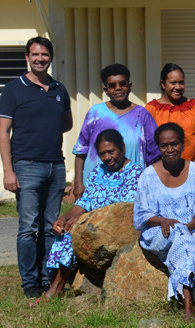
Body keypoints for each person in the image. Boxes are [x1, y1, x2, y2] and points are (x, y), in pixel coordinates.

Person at [0, 36, 73, 298]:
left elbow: (66, 123)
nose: (40, 59)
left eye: (45, 55)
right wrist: (8, 171)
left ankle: (47, 277)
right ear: (27, 58)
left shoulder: (59, 89)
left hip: (56, 166)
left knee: (53, 225)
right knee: (29, 227)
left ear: (51, 57)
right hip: (26, 166)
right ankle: (30, 283)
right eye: (35, 55)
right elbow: (3, 132)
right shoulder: (13, 89)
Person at [33, 129, 142, 307]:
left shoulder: (134, 172)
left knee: (74, 232)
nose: (107, 157)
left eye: (111, 151)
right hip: (93, 222)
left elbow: (124, 208)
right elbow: (86, 201)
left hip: (116, 225)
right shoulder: (98, 171)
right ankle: (57, 283)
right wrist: (66, 217)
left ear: (122, 149)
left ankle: (56, 287)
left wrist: (86, 220)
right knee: (64, 229)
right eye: (102, 154)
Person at [133, 123, 195, 320]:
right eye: (164, 145)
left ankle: (188, 307)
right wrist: (161, 219)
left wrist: (187, 227)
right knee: (180, 234)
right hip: (158, 233)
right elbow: (140, 215)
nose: (170, 149)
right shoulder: (148, 175)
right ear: (158, 147)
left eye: (174, 144)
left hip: (191, 231)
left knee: (182, 239)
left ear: (183, 144)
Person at [71, 63, 159, 199]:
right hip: (95, 188)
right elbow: (81, 150)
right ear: (106, 90)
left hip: (130, 189)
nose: (118, 88)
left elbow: (155, 156)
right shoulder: (95, 113)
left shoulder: (143, 115)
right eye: (112, 85)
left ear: (130, 86)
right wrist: (78, 183)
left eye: (122, 84)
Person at [145, 63, 195, 164]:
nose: (178, 87)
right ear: (163, 84)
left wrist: (194, 167)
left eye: (181, 82)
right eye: (173, 83)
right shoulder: (151, 109)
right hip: (163, 171)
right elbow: (148, 143)